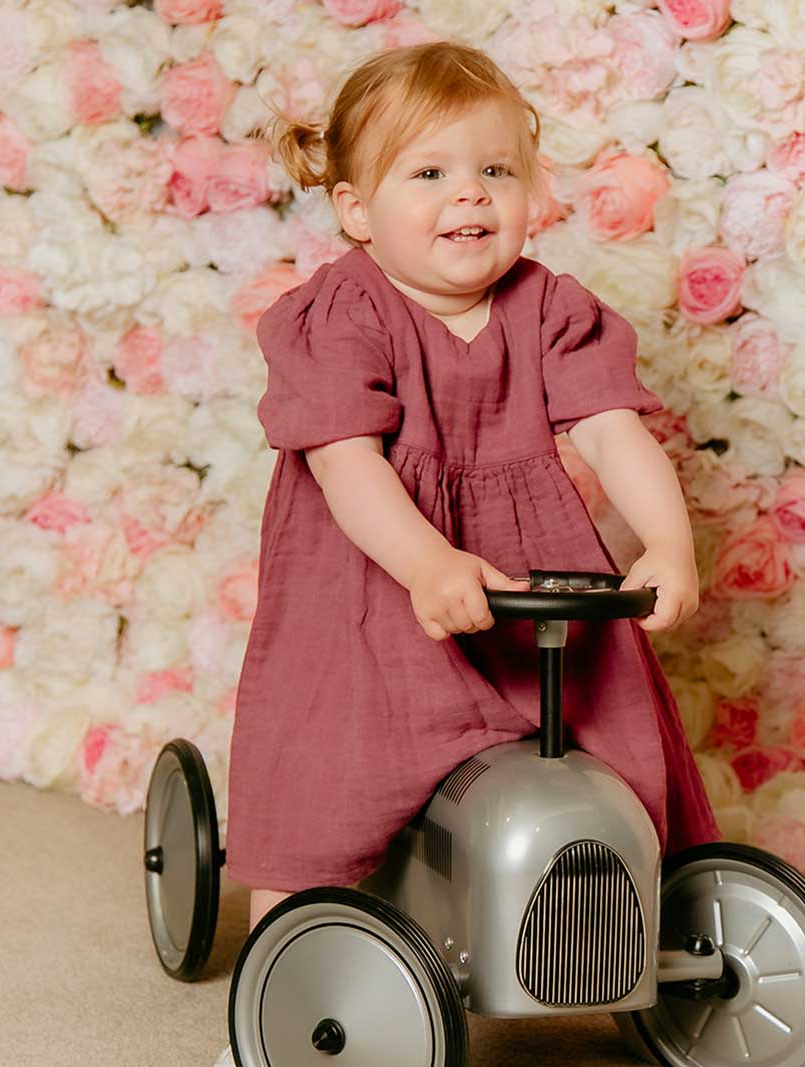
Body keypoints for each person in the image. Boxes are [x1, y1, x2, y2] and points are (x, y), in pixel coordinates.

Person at [221, 36, 721, 982]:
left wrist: (666, 542)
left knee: (603, 752)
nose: (470, 194)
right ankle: (285, 973)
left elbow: (615, 432)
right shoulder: (343, 312)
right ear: (357, 210)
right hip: (376, 589)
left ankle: (619, 926)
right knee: (326, 763)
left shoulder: (552, 308)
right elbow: (347, 466)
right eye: (431, 172)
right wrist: (429, 564)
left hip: (534, 592)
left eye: (496, 169)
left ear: (532, 192)